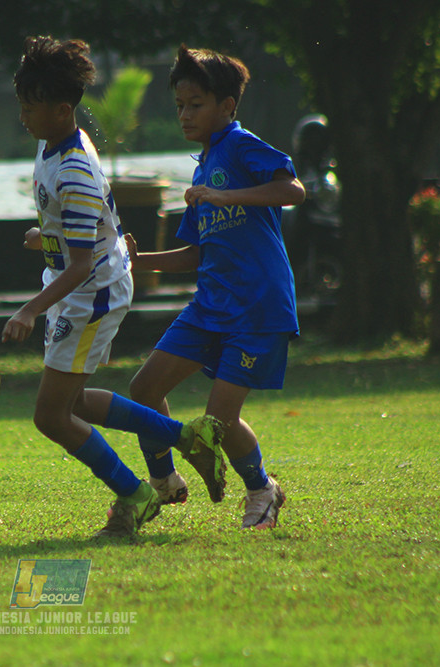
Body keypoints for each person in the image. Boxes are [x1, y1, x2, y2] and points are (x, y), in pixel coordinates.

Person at [1, 36, 224, 538]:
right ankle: (187, 438)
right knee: (73, 405)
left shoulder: (75, 169)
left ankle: (136, 492)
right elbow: (83, 235)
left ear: (62, 110)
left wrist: (29, 311)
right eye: (21, 105)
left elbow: (81, 266)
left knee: (49, 416)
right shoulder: (53, 143)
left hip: (89, 292)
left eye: (30, 108)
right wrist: (49, 236)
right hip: (83, 283)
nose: (23, 118)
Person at [125, 45, 305, 530]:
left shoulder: (241, 146)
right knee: (143, 391)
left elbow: (293, 190)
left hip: (257, 308)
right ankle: (165, 482)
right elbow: (195, 254)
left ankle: (263, 490)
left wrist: (227, 194)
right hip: (209, 306)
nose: (185, 114)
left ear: (227, 105)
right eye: (180, 105)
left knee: (217, 425)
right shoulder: (203, 166)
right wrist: (135, 262)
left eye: (196, 105)